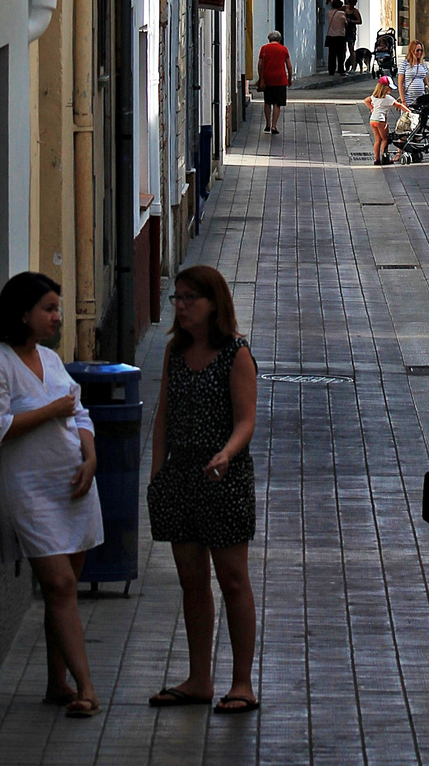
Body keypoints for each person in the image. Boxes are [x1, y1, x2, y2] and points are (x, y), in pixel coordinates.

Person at [0, 273, 103, 718]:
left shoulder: (50, 360)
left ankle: (57, 682)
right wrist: (51, 411)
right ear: (22, 313)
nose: (56, 317)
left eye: (58, 308)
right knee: (60, 584)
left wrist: (90, 457)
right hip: (30, 490)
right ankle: (86, 687)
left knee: (61, 589)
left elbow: (80, 413)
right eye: (49, 308)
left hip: (73, 484)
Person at [148, 265, 259, 712]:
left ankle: (242, 683)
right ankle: (199, 679)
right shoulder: (175, 352)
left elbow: (246, 419)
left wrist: (227, 453)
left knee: (232, 579)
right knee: (192, 582)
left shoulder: (236, 354)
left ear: (214, 303)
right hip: (182, 478)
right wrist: (158, 475)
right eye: (177, 297)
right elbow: (162, 416)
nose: (181, 305)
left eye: (190, 298)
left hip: (224, 479)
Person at [256, 30, 292, 135]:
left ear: (269, 39)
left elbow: (259, 64)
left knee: (267, 102)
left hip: (267, 79)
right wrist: (289, 78)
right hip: (280, 79)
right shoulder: (283, 49)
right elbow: (289, 66)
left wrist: (261, 77)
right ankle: (274, 125)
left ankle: (267, 124)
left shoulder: (264, 48)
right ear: (279, 39)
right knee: (277, 103)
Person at [364, 73, 403, 164]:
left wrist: (372, 108)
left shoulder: (374, 97)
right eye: (390, 88)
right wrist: (408, 111)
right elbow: (399, 105)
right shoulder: (387, 98)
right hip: (381, 120)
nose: (391, 90)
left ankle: (377, 159)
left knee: (377, 140)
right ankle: (384, 157)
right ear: (385, 88)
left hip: (372, 119)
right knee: (385, 139)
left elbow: (366, 100)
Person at [324, 0, 346, 76]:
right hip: (340, 35)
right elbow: (345, 23)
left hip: (331, 35)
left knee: (331, 54)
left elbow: (333, 9)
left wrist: (330, 1)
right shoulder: (342, 14)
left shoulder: (329, 13)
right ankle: (341, 69)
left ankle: (331, 70)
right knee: (340, 54)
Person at [343, 0, 362, 72]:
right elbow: (336, 8)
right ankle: (342, 66)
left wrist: (351, 21)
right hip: (343, 31)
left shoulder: (355, 11)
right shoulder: (344, 8)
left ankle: (353, 67)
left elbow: (360, 21)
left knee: (351, 49)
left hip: (351, 31)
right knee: (343, 49)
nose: (353, 5)